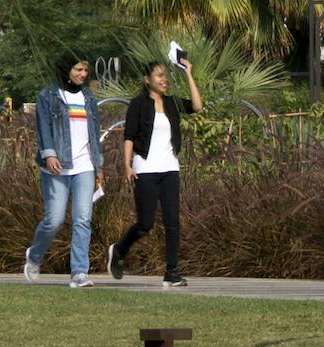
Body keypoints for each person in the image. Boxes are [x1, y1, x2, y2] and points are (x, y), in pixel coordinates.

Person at [107, 45, 203, 287]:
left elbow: (197, 106)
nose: (164, 80)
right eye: (159, 76)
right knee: (145, 223)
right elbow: (129, 135)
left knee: (173, 222)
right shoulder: (138, 104)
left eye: (165, 75)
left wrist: (188, 73)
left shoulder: (171, 103)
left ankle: (172, 272)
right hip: (145, 169)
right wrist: (127, 166)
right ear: (147, 79)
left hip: (170, 169)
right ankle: (119, 250)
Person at [23, 53, 104, 284]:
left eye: (85, 71)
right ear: (66, 69)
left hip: (85, 166)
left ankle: (79, 273)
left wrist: (98, 165)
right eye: (78, 70)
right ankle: (35, 255)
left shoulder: (88, 97)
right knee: (55, 219)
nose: (83, 75)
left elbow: (94, 133)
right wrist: (49, 154)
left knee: (82, 219)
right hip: (57, 167)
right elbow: (44, 128)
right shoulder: (48, 96)